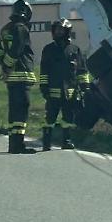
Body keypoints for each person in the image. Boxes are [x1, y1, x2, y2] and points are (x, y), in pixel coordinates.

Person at [38, 18, 90, 151]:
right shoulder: (48, 49)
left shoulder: (74, 49)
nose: (58, 33)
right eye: (57, 30)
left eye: (61, 30)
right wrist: (44, 87)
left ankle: (66, 141)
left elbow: (82, 70)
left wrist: (85, 87)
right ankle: (46, 142)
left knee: (68, 118)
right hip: (53, 91)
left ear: (67, 31)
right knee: (50, 118)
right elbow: (44, 70)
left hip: (70, 92)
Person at [0, 0, 37, 154]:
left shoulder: (5, 29)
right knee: (21, 111)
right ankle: (18, 145)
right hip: (21, 74)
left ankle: (13, 144)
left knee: (14, 110)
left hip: (11, 78)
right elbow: (18, 49)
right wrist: (8, 64)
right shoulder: (21, 28)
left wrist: (4, 64)